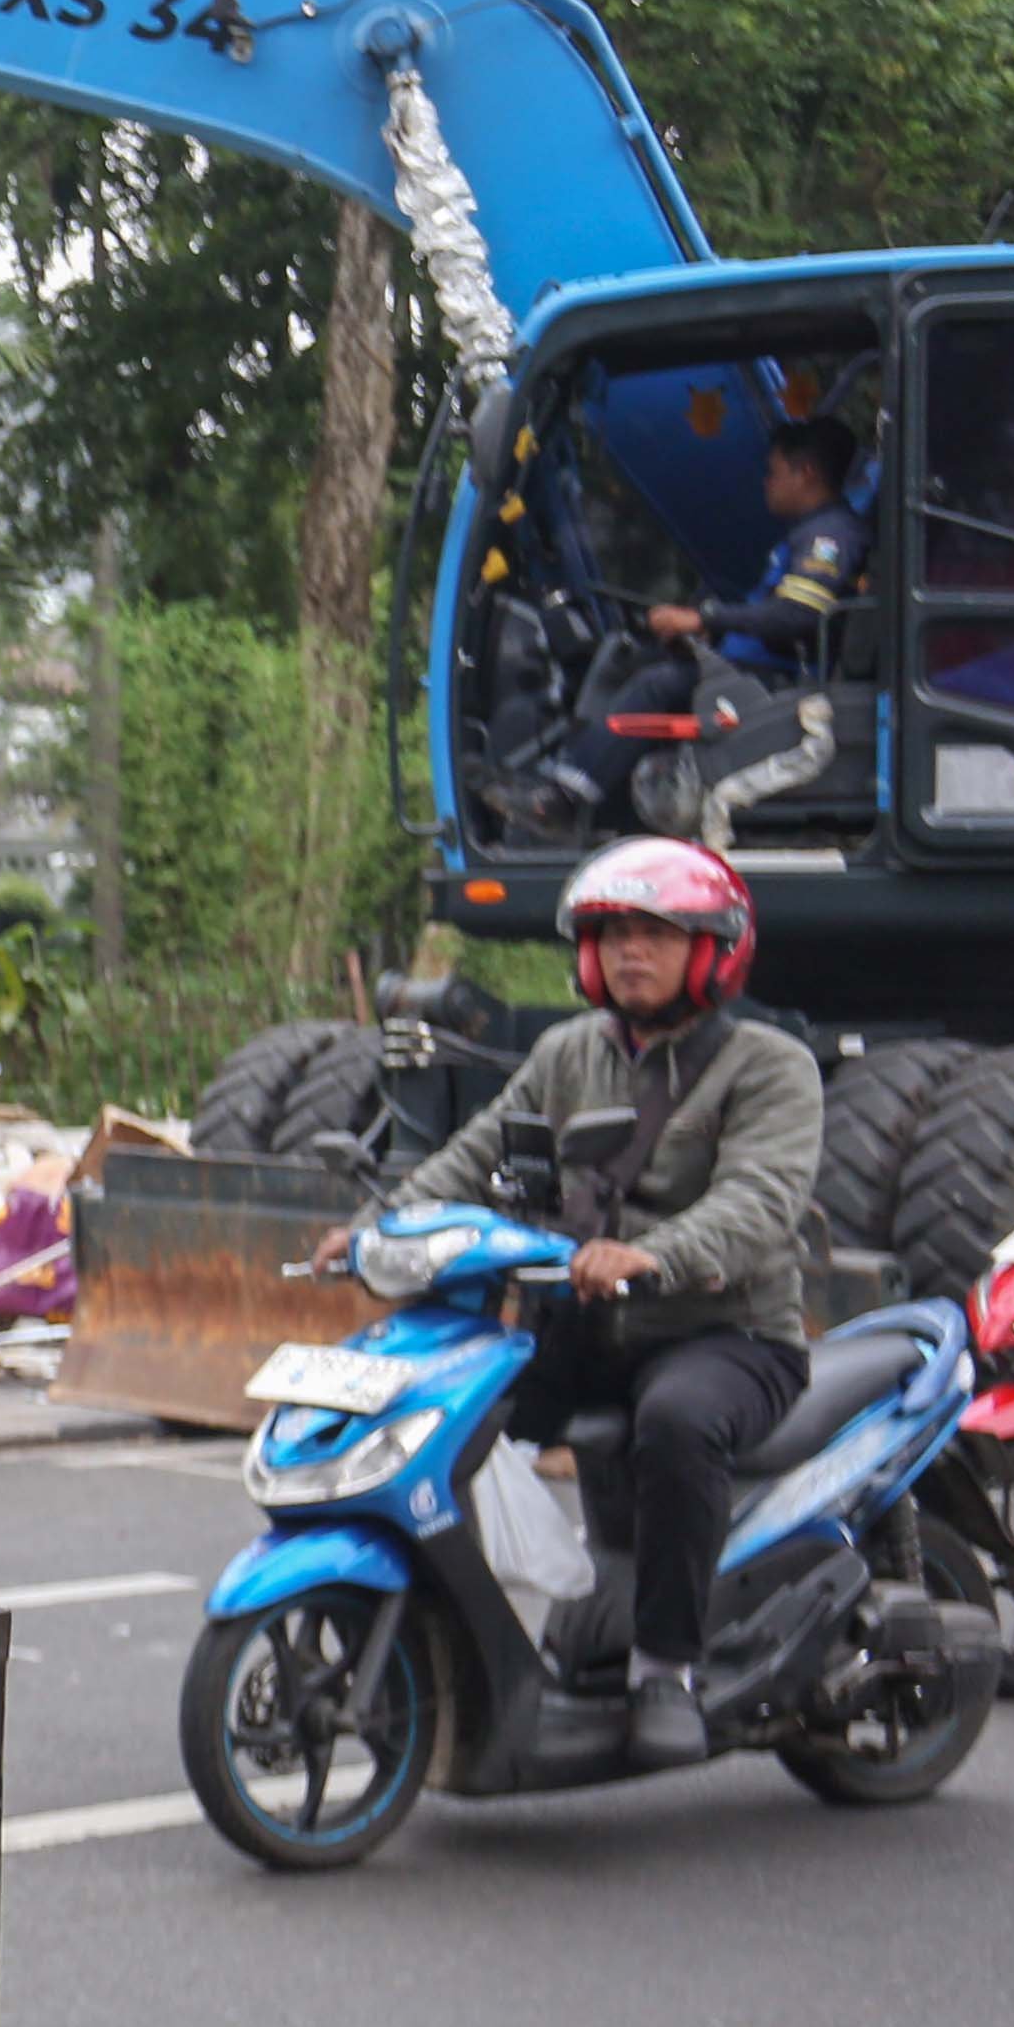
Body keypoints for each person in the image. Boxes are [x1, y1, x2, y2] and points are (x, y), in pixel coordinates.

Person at [373, 837, 823, 1766]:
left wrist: (650, 1256)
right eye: (613, 932)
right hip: (589, 1320)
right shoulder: (568, 1051)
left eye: (657, 933)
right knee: (452, 1400)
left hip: (726, 1332)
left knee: (678, 1419)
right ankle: (446, 1624)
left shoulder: (770, 1066)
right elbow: (478, 1151)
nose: (629, 951)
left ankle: (665, 1668)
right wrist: (380, 1224)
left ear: (712, 949)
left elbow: (759, 1203)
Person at [513, 411, 868, 841]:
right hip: (744, 669)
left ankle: (563, 801)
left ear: (806, 473)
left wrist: (706, 618)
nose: (766, 483)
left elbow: (798, 616)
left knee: (658, 684)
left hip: (770, 684)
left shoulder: (828, 537)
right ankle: (581, 795)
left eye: (774, 472)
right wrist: (709, 631)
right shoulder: (809, 533)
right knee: (635, 661)